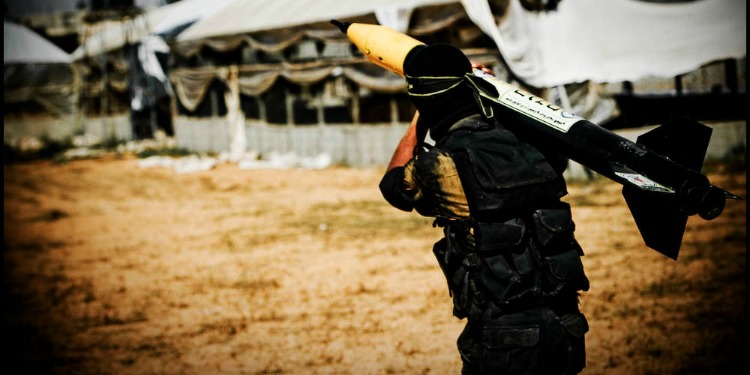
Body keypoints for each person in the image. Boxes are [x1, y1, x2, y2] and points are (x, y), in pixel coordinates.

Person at [378, 44, 591, 374]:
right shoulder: (539, 145)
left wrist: (420, 113)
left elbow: (393, 186)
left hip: (507, 337)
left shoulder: (444, 167)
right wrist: (487, 92)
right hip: (567, 325)